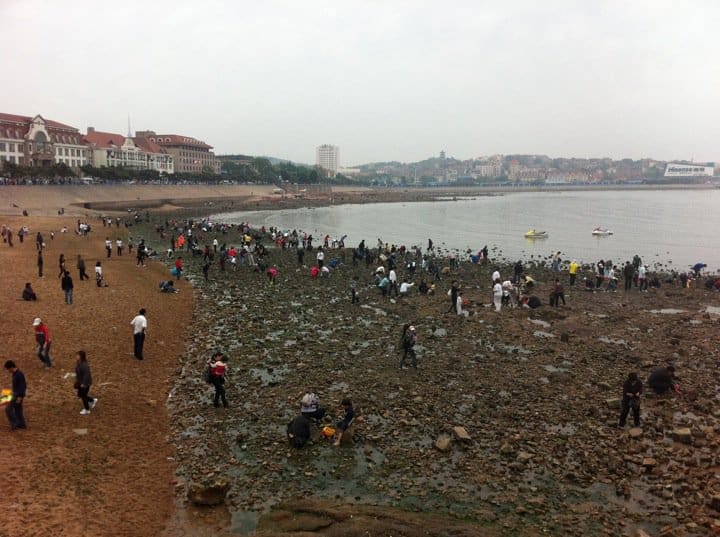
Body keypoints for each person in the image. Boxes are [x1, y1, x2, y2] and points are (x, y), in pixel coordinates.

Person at [4, 360, 27, 430]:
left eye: (8, 369)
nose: (8, 371)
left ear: (11, 367)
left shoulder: (19, 374)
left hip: (17, 395)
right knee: (18, 409)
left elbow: (23, 386)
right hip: (15, 394)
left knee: (8, 409)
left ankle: (15, 423)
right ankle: (22, 424)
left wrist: (20, 396)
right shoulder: (15, 374)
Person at [75, 350, 97, 415]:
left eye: (77, 355)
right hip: (81, 382)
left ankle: (87, 410)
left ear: (81, 356)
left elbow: (87, 374)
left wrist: (84, 384)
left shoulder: (84, 365)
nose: (76, 356)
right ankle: (92, 400)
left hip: (85, 383)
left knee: (83, 396)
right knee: (80, 395)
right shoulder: (79, 362)